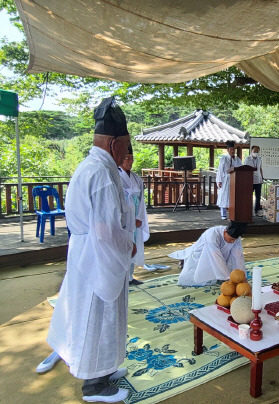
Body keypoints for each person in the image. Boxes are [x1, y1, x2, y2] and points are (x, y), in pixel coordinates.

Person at [42, 97, 135, 402]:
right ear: (113, 144)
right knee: (98, 315)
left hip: (88, 252)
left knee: (99, 313)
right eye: (124, 144)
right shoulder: (102, 175)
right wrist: (129, 246)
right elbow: (106, 231)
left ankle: (104, 368)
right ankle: (94, 385)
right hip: (99, 255)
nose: (126, 151)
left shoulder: (94, 165)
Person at [169, 221, 247, 286]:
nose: (233, 242)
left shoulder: (236, 239)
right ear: (225, 232)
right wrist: (227, 278)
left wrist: (243, 276)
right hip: (203, 253)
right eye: (231, 239)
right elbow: (216, 257)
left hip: (221, 255)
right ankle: (185, 260)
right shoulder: (212, 235)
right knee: (199, 275)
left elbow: (238, 256)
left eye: (234, 240)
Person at [119, 143, 150, 286]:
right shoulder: (116, 176)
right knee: (123, 247)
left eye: (131, 158)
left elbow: (142, 200)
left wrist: (139, 217)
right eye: (126, 158)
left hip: (135, 216)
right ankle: (122, 278)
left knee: (133, 246)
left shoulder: (137, 178)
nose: (130, 162)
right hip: (123, 219)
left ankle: (130, 277)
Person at [216, 140, 242, 220]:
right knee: (224, 195)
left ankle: (233, 213)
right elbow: (220, 170)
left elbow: (241, 169)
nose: (233, 151)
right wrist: (219, 180)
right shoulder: (224, 159)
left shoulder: (237, 159)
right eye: (231, 149)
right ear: (228, 150)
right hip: (225, 179)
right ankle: (223, 214)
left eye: (234, 149)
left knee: (233, 196)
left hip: (235, 179)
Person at [244, 145, 264, 216]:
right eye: (254, 151)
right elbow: (245, 170)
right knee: (249, 197)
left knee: (258, 196)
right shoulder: (247, 159)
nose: (256, 152)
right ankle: (248, 211)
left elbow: (260, 169)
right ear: (251, 151)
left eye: (257, 151)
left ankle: (257, 211)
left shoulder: (259, 159)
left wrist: (262, 177)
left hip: (258, 180)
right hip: (250, 181)